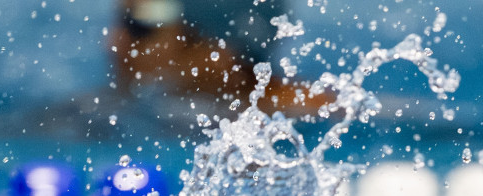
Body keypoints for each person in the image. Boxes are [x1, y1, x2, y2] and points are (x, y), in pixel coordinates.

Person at [109, 0, 325, 118]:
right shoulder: (118, 112)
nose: (115, 42)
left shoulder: (315, 110)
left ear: (217, 52)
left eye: (138, 27)